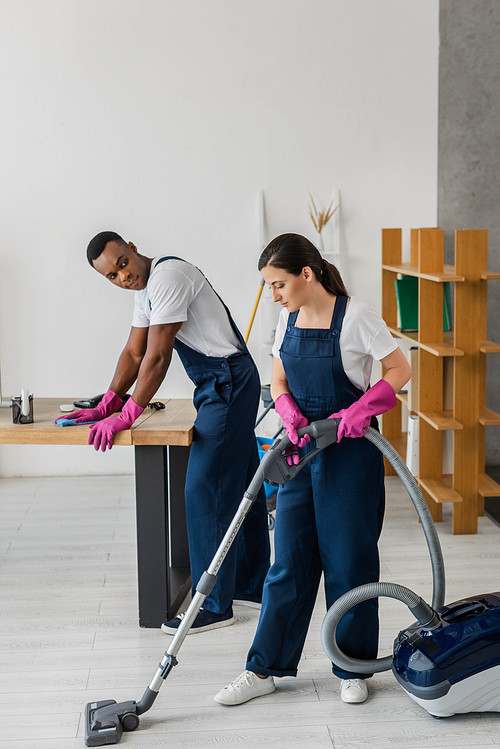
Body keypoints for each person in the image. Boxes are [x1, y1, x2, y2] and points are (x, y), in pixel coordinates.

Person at [214, 233, 411, 706]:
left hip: (350, 455)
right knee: (288, 564)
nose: (274, 295)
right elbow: (279, 374)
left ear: (307, 274)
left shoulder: (357, 316)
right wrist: (284, 405)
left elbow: (399, 370)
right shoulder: (287, 318)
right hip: (301, 454)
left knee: (350, 562)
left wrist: (361, 410)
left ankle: (353, 667)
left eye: (278, 284)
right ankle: (264, 668)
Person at [59, 231, 270, 633]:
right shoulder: (145, 291)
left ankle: (213, 605)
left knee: (203, 489)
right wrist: (109, 400)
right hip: (220, 381)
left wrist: (129, 414)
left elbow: (158, 354)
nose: (123, 277)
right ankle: (253, 584)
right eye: (112, 276)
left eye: (122, 263)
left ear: (133, 249)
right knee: (243, 477)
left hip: (227, 382)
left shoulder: (168, 277)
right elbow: (134, 352)